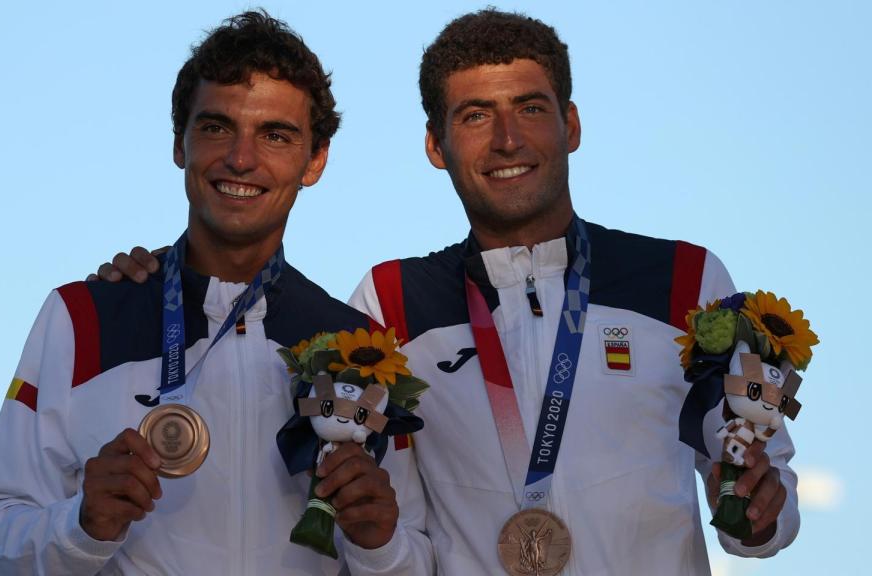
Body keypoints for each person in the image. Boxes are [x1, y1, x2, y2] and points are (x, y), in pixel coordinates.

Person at [99, 9, 799, 575]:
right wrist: (168, 280)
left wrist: (765, 512)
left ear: (571, 125)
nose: (505, 139)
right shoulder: (388, 302)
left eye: (529, 109)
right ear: (435, 144)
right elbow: (386, 532)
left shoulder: (685, 279)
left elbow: (762, 507)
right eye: (473, 116)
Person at [0, 11, 433, 575]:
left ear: (315, 160)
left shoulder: (357, 347)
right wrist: (81, 527)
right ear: (178, 144)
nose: (241, 158)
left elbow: (415, 553)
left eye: (275, 135)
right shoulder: (83, 317)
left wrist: (379, 545)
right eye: (216, 127)